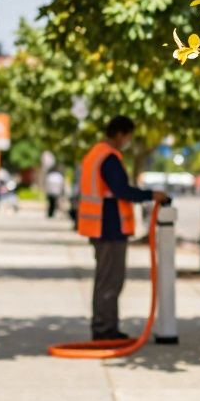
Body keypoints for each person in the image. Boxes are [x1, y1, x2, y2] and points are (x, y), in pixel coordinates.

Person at [77, 116, 167, 341]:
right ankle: (104, 330)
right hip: (109, 228)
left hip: (101, 227)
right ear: (119, 134)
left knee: (106, 279)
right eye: (128, 136)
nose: (128, 141)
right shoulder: (108, 157)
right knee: (110, 281)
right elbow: (121, 190)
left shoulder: (95, 154)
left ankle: (105, 328)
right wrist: (150, 195)